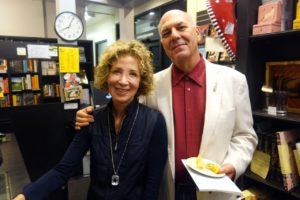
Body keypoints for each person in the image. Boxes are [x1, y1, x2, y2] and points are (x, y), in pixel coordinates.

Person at [75, 9, 258, 200]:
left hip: (215, 191)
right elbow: (125, 116)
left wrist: (234, 164)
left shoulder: (234, 81)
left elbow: (245, 136)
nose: (175, 36)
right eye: (166, 33)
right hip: (166, 191)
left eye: (181, 27)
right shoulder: (150, 86)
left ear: (197, 33)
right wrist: (90, 116)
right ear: (162, 43)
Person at [13, 40, 168, 200]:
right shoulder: (91, 119)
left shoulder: (154, 122)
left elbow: (152, 184)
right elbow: (63, 170)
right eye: (116, 71)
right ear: (106, 76)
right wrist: (24, 196)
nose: (123, 81)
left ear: (141, 81)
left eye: (132, 74)